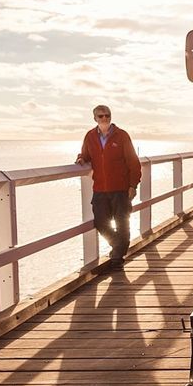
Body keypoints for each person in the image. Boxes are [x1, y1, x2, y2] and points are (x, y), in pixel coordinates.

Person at [76, 105, 141, 270]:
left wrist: (133, 185)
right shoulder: (90, 136)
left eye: (107, 115)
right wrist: (81, 158)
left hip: (120, 189)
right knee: (100, 222)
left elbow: (133, 162)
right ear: (95, 118)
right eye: (101, 116)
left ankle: (117, 258)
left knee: (122, 223)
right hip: (100, 190)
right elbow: (86, 154)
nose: (104, 118)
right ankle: (118, 245)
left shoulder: (122, 135)